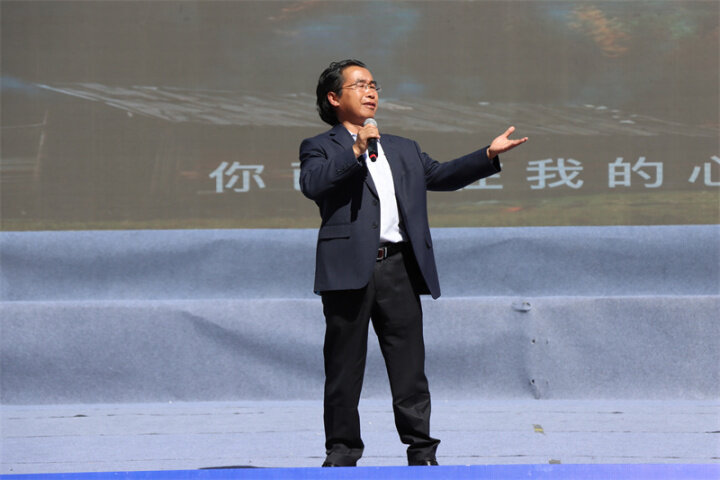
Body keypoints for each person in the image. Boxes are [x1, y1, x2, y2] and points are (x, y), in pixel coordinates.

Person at [298, 59, 527, 467]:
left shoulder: (402, 147)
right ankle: (343, 450)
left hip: (399, 267)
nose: (370, 92)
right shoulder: (320, 146)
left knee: (409, 367)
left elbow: (441, 175)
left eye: (373, 84)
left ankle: (421, 450)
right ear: (334, 98)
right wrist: (355, 150)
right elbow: (313, 184)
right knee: (343, 367)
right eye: (359, 85)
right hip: (348, 270)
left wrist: (487, 155)